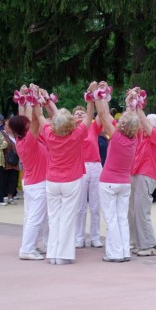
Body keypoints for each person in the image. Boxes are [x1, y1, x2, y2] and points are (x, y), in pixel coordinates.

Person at [34, 84, 94, 265]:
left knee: (54, 218)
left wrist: (36, 97)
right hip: (71, 180)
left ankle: (52, 254)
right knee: (68, 217)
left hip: (52, 180)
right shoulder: (76, 134)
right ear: (71, 123)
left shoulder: (49, 133)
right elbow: (90, 116)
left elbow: (39, 116)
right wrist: (90, 97)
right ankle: (63, 255)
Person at [96, 87, 140, 262]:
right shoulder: (134, 139)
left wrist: (97, 95)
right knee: (121, 218)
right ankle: (124, 251)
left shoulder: (115, 136)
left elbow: (103, 113)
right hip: (124, 182)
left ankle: (114, 253)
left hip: (108, 182)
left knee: (111, 218)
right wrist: (131, 101)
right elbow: (130, 118)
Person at [12, 91, 49, 260]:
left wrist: (25, 100)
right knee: (35, 217)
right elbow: (34, 120)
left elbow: (26, 118)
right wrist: (35, 101)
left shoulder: (23, 138)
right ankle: (27, 249)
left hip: (33, 182)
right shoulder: (29, 140)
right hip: (38, 183)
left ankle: (31, 246)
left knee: (33, 217)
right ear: (25, 128)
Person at [129, 111, 156, 257]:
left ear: (154, 127)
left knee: (142, 211)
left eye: (146, 124)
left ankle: (150, 245)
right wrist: (130, 104)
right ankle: (140, 243)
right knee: (135, 210)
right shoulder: (143, 137)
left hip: (146, 176)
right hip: (137, 174)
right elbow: (138, 122)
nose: (142, 126)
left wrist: (138, 105)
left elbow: (143, 122)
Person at [72, 104, 103, 249]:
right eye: (77, 113)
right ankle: (79, 237)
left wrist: (98, 97)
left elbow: (101, 114)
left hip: (95, 166)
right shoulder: (71, 129)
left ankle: (95, 236)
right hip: (79, 166)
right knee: (80, 206)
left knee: (96, 205)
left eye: (82, 113)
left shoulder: (93, 127)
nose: (79, 115)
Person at [1, 119, 20, 204]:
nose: (9, 127)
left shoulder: (16, 135)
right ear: (4, 126)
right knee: (5, 178)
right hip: (6, 159)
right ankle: (5, 196)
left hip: (15, 160)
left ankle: (10, 196)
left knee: (13, 178)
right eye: (7, 125)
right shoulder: (2, 134)